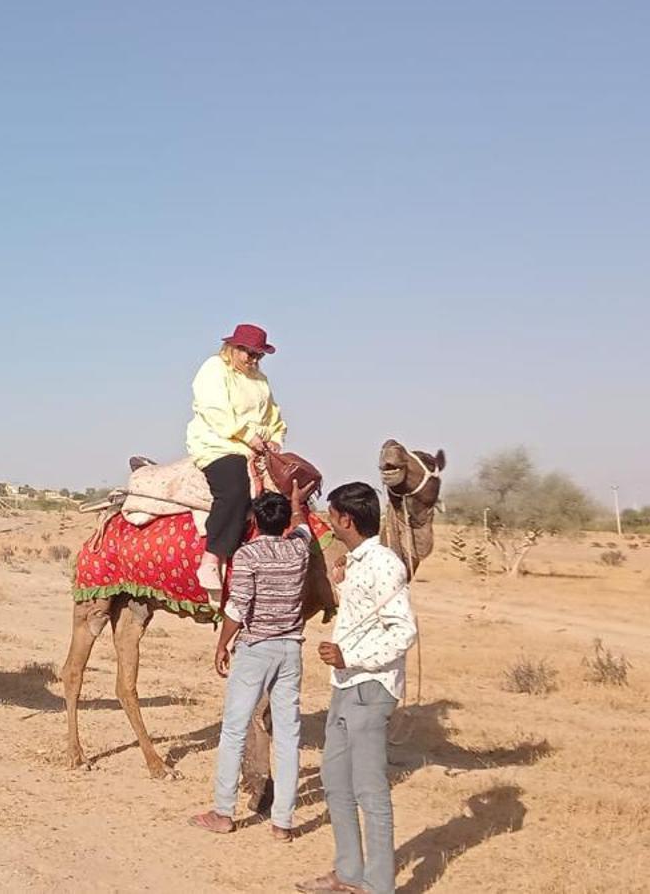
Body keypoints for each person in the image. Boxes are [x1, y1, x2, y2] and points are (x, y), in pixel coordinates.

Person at [296, 482, 418, 894]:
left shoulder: (384, 564)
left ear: (346, 519)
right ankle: (348, 873)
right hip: (346, 686)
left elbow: (403, 631)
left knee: (369, 790)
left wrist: (352, 659)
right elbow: (367, 615)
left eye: (331, 516)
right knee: (335, 782)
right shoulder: (357, 562)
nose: (330, 523)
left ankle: (378, 884)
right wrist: (340, 582)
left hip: (369, 686)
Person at [193, 491, 311, 841]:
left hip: (256, 649)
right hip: (291, 650)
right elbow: (303, 525)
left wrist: (222, 643)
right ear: (284, 522)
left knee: (234, 728)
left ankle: (223, 812)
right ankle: (282, 823)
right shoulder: (299, 549)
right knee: (289, 737)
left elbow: (237, 607)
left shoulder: (248, 555)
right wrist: (296, 502)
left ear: (254, 522)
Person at [186, 323, 286, 593]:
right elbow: (214, 410)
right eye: (249, 353)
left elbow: (273, 416)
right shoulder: (213, 369)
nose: (253, 359)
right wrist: (246, 435)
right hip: (219, 443)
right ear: (233, 348)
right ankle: (212, 557)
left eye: (258, 355)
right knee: (234, 489)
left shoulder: (260, 380)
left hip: (255, 447)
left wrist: (276, 438)